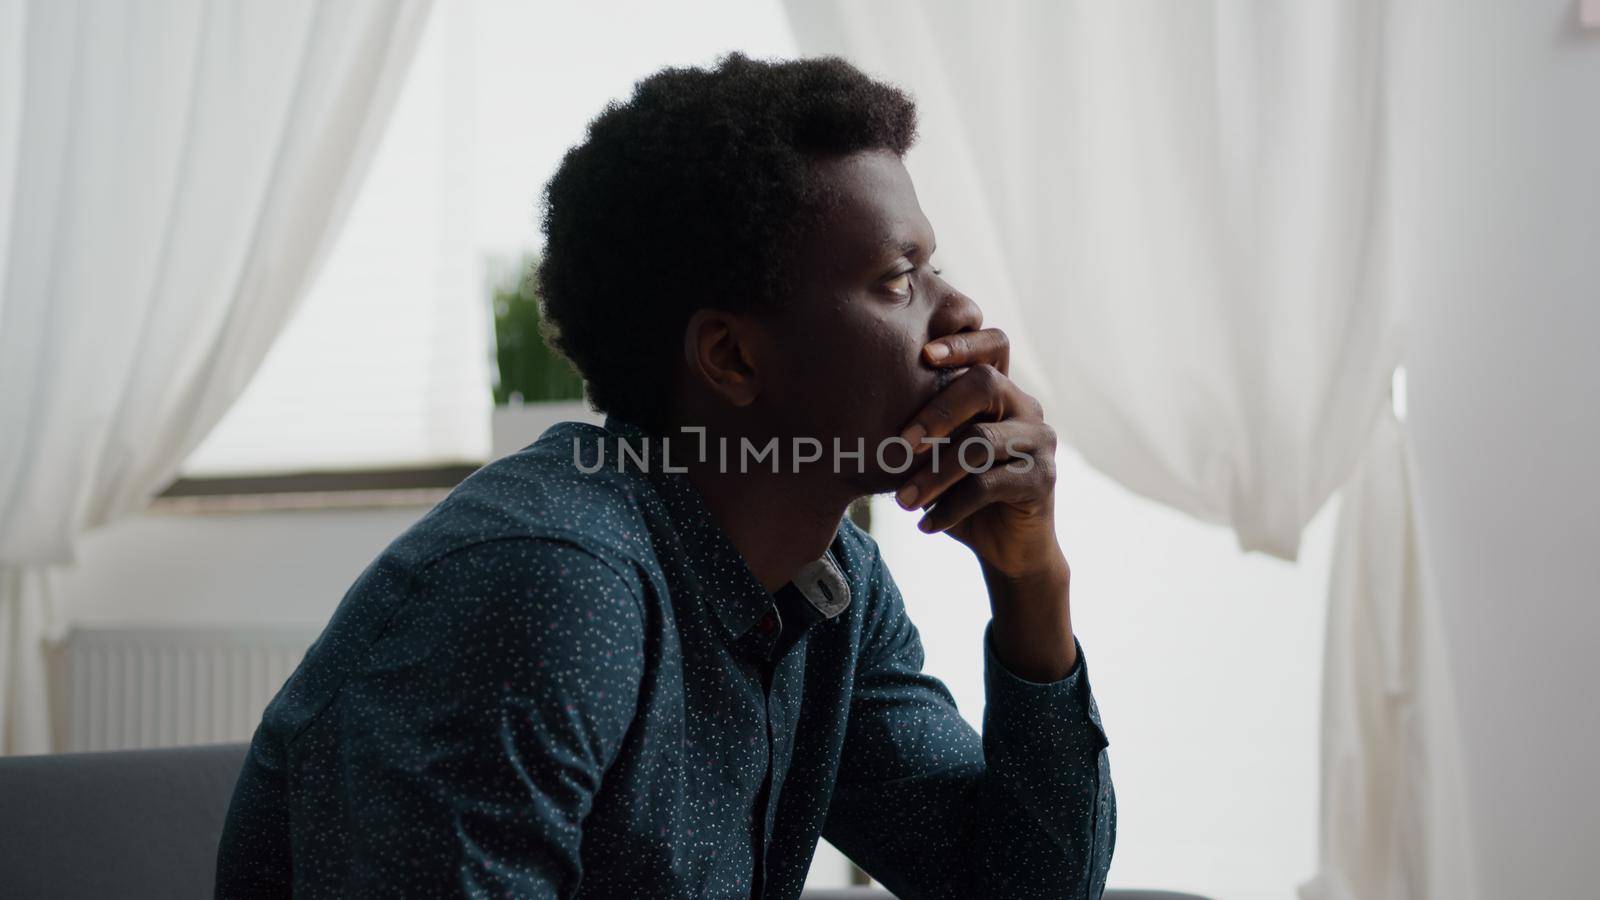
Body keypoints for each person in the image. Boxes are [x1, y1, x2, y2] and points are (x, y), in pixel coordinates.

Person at [216, 52, 1115, 899]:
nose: (961, 313)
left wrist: (1031, 577)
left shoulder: (829, 590)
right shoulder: (546, 585)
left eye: (937, 268)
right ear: (731, 356)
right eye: (896, 277)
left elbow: (1021, 886)